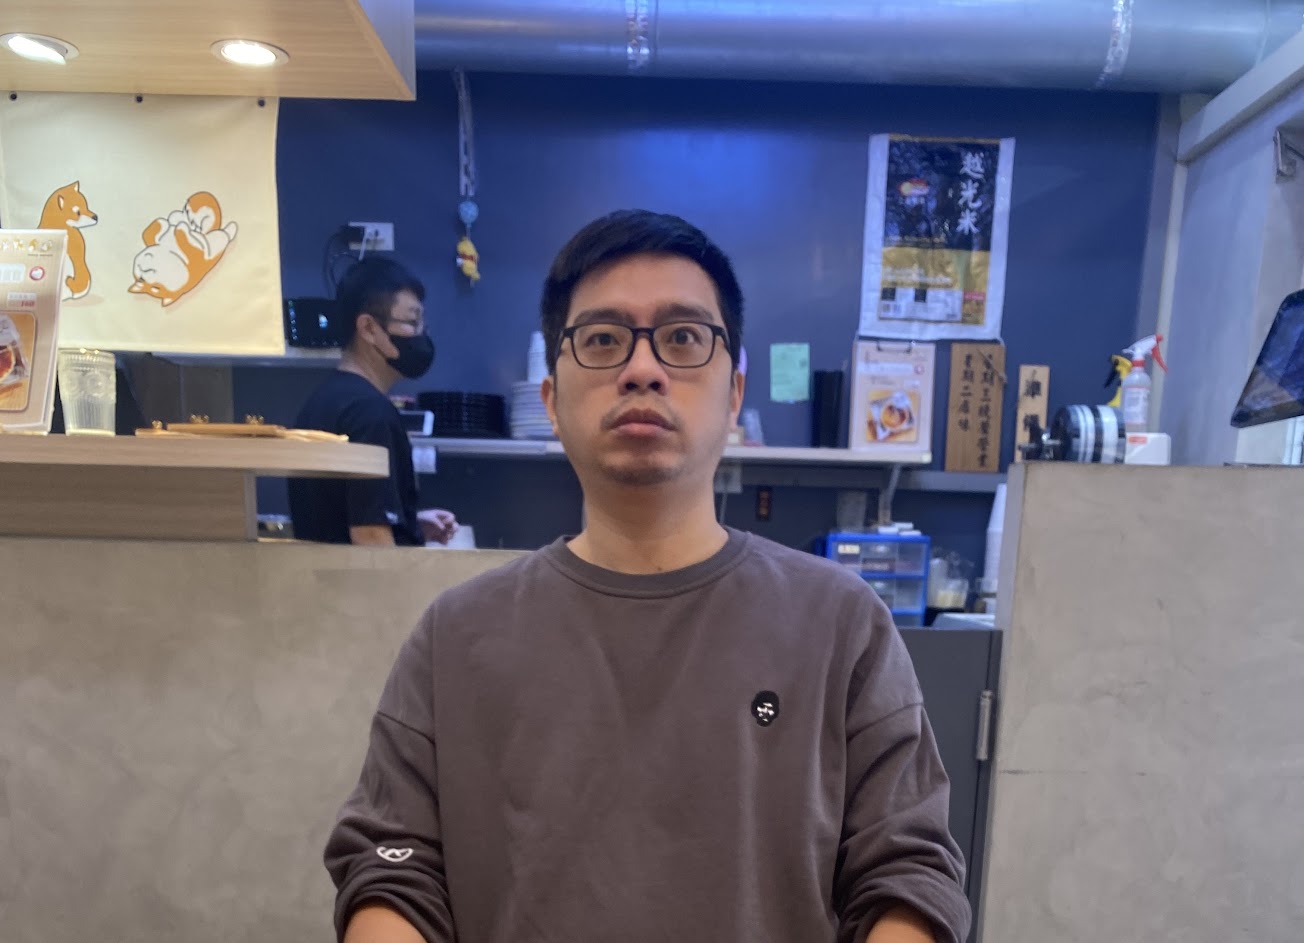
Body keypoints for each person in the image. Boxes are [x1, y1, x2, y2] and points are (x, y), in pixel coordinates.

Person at [324, 211, 970, 943]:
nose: (642, 368)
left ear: (734, 394)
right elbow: (391, 865)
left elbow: (907, 869)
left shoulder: (840, 625)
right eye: (602, 340)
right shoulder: (456, 637)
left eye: (683, 337)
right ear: (551, 401)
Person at [288, 258, 457, 547]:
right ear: (368, 328)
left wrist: (410, 526)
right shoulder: (370, 414)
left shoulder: (322, 402)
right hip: (355, 578)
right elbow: (370, 538)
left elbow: (338, 517)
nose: (421, 335)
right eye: (412, 322)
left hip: (320, 574)